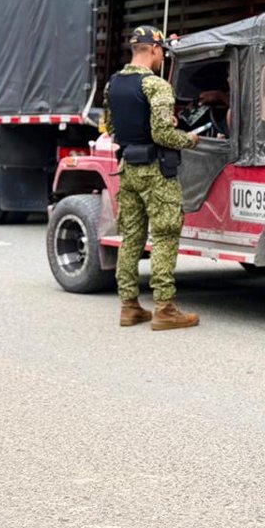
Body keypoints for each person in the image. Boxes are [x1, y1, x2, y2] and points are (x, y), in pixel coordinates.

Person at [101, 26, 201, 331]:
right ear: (155, 50)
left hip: (127, 168)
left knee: (131, 237)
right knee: (165, 234)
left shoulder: (113, 85)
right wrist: (189, 139)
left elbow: (111, 126)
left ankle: (129, 306)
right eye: (162, 54)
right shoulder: (156, 86)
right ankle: (164, 307)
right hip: (156, 171)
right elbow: (162, 134)